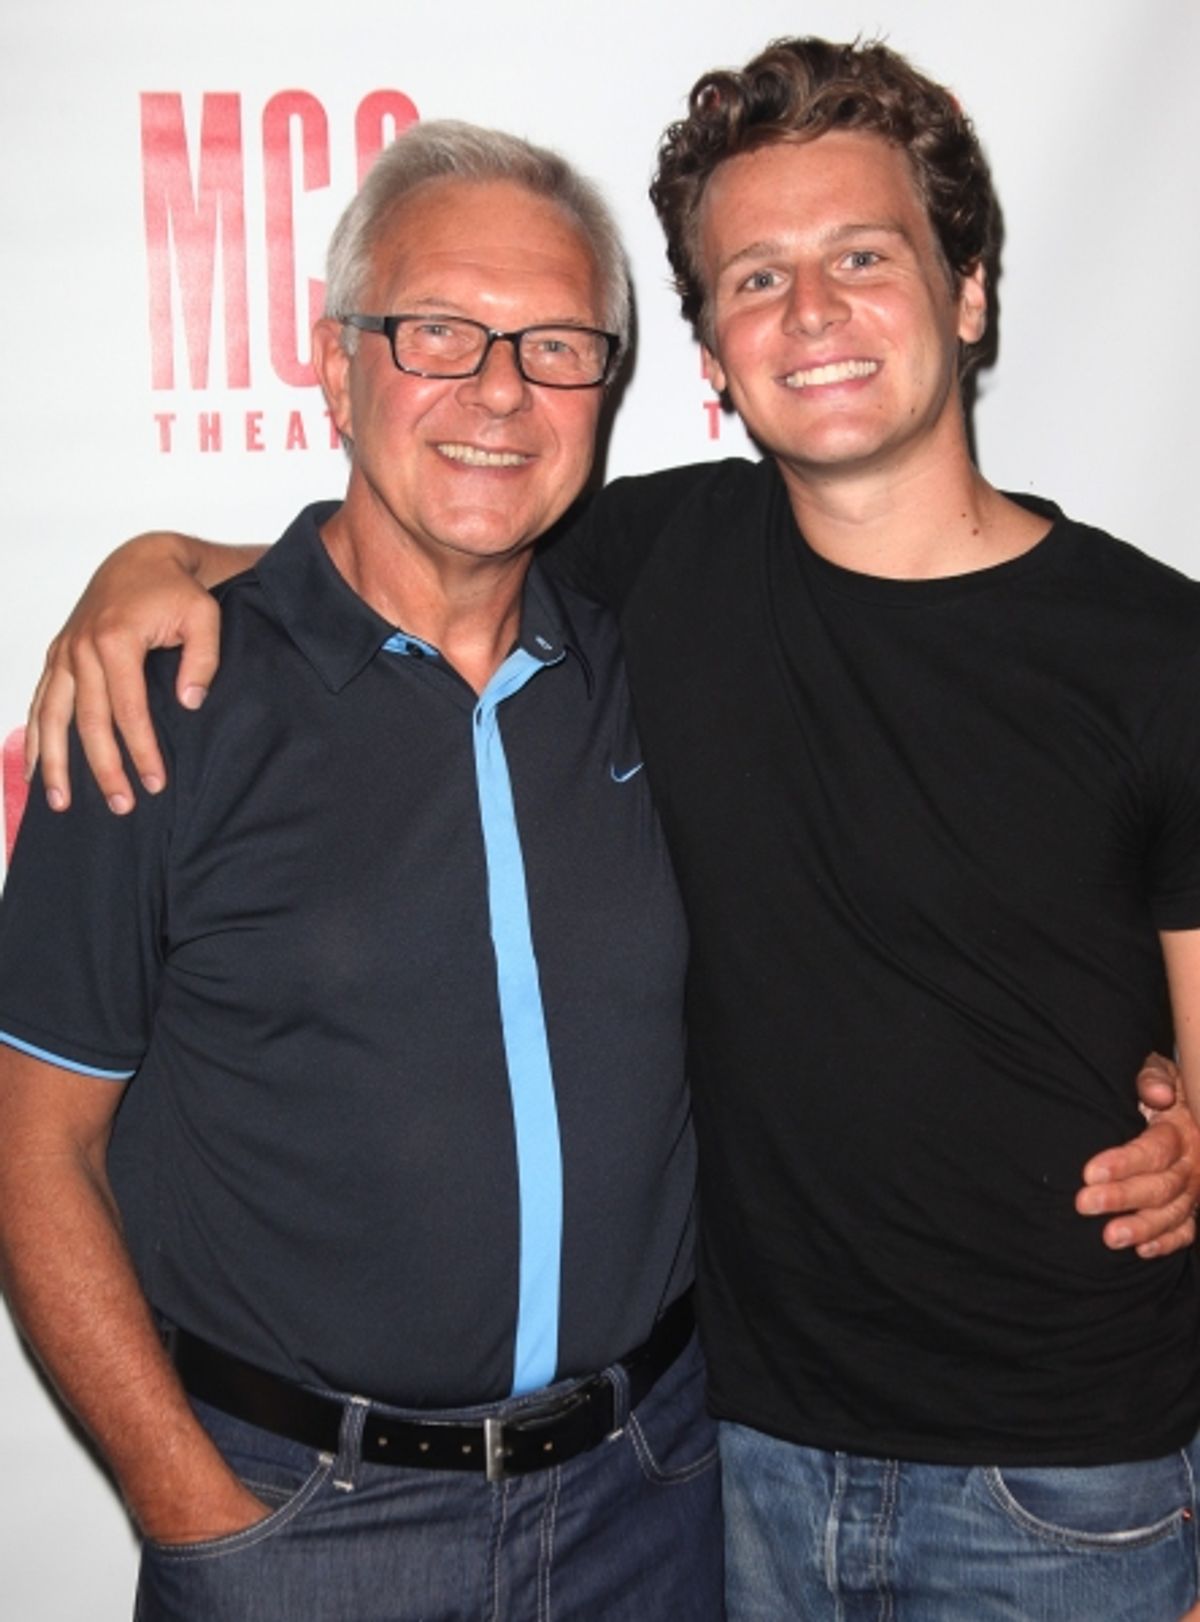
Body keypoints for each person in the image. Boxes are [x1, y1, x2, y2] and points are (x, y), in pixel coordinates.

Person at [19, 37, 1200, 1621]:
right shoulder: (619, 582)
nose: (500, 392)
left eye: (864, 256)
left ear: (968, 291)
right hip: (616, 1491)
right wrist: (142, 565)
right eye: (759, 277)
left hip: (903, 1497)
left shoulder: (1130, 647)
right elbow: (422, 531)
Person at [0, 121, 723, 1622]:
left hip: (653, 1502)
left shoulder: (653, 657)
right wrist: (194, 1510)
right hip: (303, 1524)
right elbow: (32, 1149)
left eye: (557, 345)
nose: (500, 391)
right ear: (336, 365)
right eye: (438, 329)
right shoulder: (162, 699)